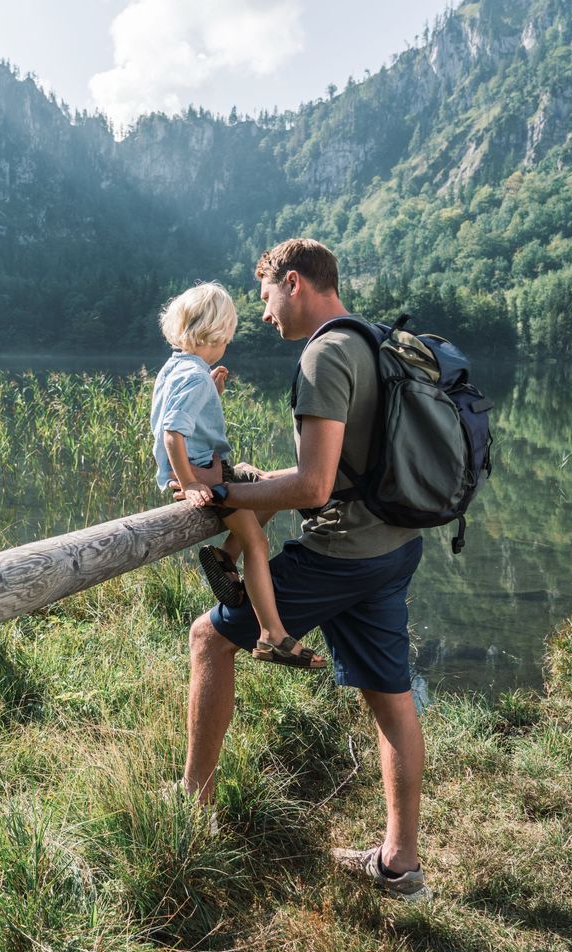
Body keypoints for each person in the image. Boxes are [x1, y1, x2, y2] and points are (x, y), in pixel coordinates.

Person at [176, 240, 431, 902]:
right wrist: (260, 484)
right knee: (390, 696)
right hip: (396, 543)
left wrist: (225, 496)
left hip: (343, 553)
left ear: (294, 282)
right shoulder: (373, 340)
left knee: (208, 639)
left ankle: (191, 809)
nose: (262, 316)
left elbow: (315, 486)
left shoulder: (324, 353)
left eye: (264, 298)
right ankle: (401, 865)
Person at [150, 282, 326, 668]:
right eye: (226, 339)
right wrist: (193, 481)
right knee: (258, 543)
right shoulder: (195, 376)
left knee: (268, 490)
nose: (225, 346)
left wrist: (212, 393)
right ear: (216, 334)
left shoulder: (179, 367)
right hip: (205, 474)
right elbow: (172, 434)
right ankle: (271, 635)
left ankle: (225, 557)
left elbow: (182, 421)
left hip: (204, 468)